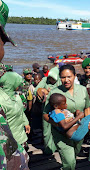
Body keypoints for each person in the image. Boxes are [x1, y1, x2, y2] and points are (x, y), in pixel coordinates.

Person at [43, 64, 90, 170]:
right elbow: (45, 115)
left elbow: (87, 108)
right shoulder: (55, 92)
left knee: (74, 156)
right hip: (61, 133)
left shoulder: (82, 90)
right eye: (63, 77)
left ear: (75, 76)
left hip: (79, 130)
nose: (66, 80)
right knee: (69, 162)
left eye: (69, 77)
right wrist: (60, 124)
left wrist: (88, 125)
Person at [0, 1, 29, 168]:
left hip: (20, 137)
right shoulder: (4, 100)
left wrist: (26, 121)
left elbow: (22, 109)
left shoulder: (14, 98)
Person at [33, 66, 61, 154]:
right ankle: (48, 149)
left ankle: (58, 147)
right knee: (46, 130)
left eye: (53, 79)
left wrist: (50, 92)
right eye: (50, 78)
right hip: (46, 109)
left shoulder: (60, 81)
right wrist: (42, 91)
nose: (51, 80)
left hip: (58, 109)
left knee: (58, 128)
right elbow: (35, 91)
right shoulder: (44, 80)